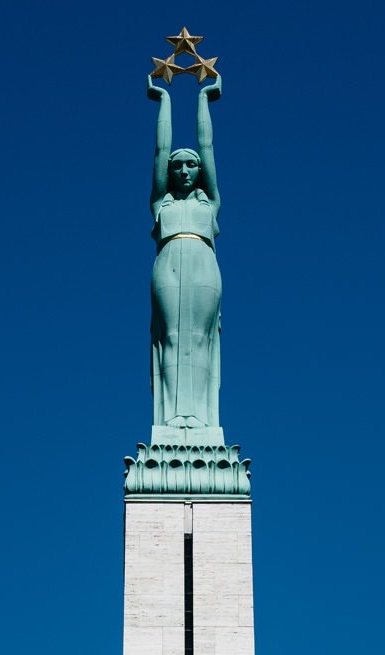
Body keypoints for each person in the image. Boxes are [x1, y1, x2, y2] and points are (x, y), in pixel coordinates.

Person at [145, 75, 223, 433]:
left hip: (203, 261)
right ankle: (173, 417)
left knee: (201, 339)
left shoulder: (211, 203)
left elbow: (207, 146)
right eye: (178, 166)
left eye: (191, 165)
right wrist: (164, 100)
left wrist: (204, 99)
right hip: (169, 261)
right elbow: (161, 152)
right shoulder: (162, 203)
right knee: (172, 336)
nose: (184, 170)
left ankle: (202, 418)